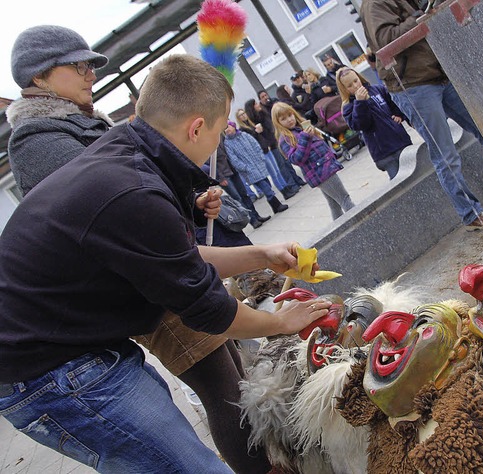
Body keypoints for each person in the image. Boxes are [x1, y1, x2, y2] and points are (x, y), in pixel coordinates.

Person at [1, 42, 332, 473]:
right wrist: (281, 323)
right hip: (49, 371)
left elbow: (177, 255)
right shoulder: (132, 188)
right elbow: (209, 310)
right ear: (196, 129)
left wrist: (261, 255)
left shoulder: (126, 151)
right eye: (218, 132)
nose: (218, 143)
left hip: (79, 345)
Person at [360, 0, 483, 231]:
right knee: (445, 154)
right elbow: (386, 39)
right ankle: (470, 213)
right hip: (413, 85)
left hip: (438, 73)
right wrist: (420, 15)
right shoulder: (374, 4)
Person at [272, 102, 356, 220]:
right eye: (283, 119)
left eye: (290, 115)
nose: (289, 120)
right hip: (321, 172)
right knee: (345, 199)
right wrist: (305, 137)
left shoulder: (300, 127)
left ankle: (341, 232)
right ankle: (363, 225)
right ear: (278, 122)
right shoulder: (285, 138)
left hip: (324, 168)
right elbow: (297, 159)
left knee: (334, 205)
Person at [337, 67, 412, 179]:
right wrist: (360, 103)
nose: (355, 86)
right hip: (385, 152)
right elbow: (360, 125)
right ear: (344, 89)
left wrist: (399, 115)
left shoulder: (376, 89)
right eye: (349, 86)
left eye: (356, 81)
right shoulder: (348, 107)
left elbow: (394, 103)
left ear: (359, 77)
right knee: (400, 182)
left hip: (400, 140)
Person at [224, 120, 290, 215]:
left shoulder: (244, 135)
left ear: (233, 126)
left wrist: (261, 158)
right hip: (249, 170)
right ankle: (277, 205)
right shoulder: (228, 143)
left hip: (259, 165)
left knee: (267, 184)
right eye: (225, 129)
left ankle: (274, 207)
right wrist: (245, 168)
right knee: (265, 187)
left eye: (228, 127)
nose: (227, 130)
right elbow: (234, 159)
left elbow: (256, 145)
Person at [245, 98, 307, 190]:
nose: (258, 105)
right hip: (270, 144)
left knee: (287, 162)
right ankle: (292, 184)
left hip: (275, 139)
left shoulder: (264, 113)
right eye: (256, 104)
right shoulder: (254, 120)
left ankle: (297, 180)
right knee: (281, 165)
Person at [235, 108, 296, 200]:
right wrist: (256, 132)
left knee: (277, 170)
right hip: (260, 153)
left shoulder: (251, 124)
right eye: (241, 115)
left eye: (244, 113)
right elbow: (251, 141)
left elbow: (261, 136)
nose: (243, 115)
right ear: (238, 118)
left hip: (266, 148)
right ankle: (283, 191)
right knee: (274, 173)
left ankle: (287, 188)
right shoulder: (243, 130)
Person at [209, 139, 270, 229]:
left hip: (233, 170)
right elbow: (211, 164)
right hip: (223, 175)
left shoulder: (220, 135)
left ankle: (256, 216)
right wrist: (220, 178)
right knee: (237, 198)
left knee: (245, 195)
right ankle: (252, 220)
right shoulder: (207, 142)